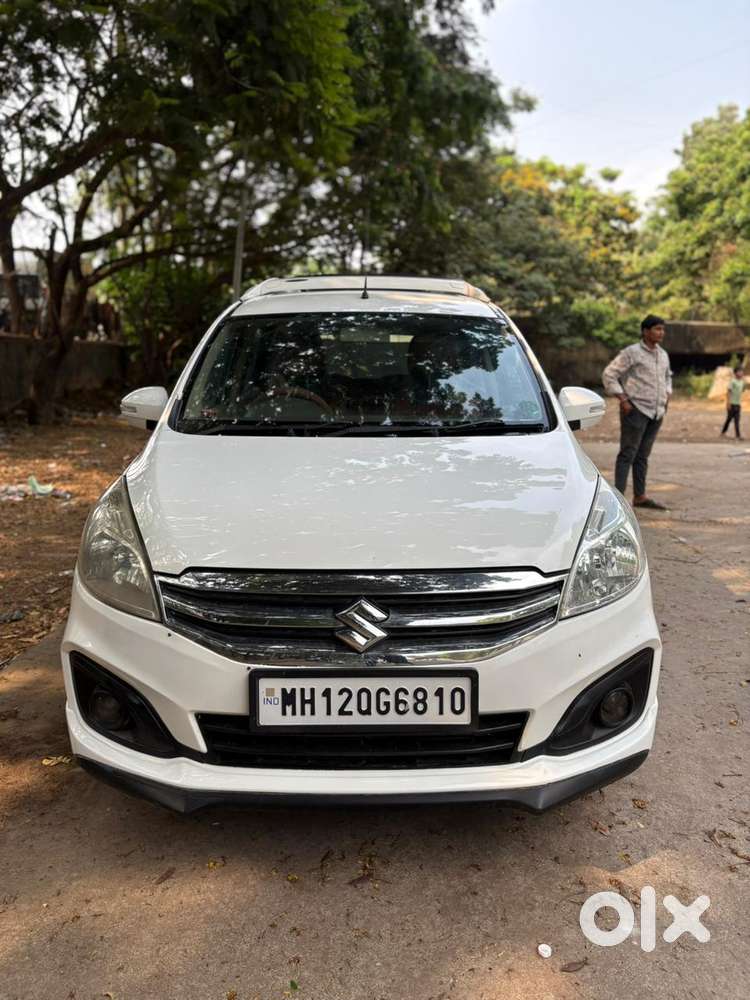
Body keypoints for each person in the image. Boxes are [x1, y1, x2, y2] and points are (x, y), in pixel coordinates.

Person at [602, 314, 672, 509]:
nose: (661, 333)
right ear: (645, 331)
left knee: (642, 456)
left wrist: (668, 393)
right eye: (657, 329)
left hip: (656, 412)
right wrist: (623, 399)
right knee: (628, 454)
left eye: (663, 329)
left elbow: (668, 377)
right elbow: (609, 374)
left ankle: (640, 497)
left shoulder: (663, 354)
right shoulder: (631, 352)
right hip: (636, 410)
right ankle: (618, 499)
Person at [720, 365, 745, 439]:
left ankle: (738, 435)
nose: (741, 373)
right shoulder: (733, 381)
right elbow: (728, 392)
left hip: (738, 404)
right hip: (732, 404)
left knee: (737, 420)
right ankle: (723, 433)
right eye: (739, 372)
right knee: (729, 419)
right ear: (735, 373)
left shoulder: (742, 382)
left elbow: (741, 391)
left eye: (742, 372)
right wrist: (728, 403)